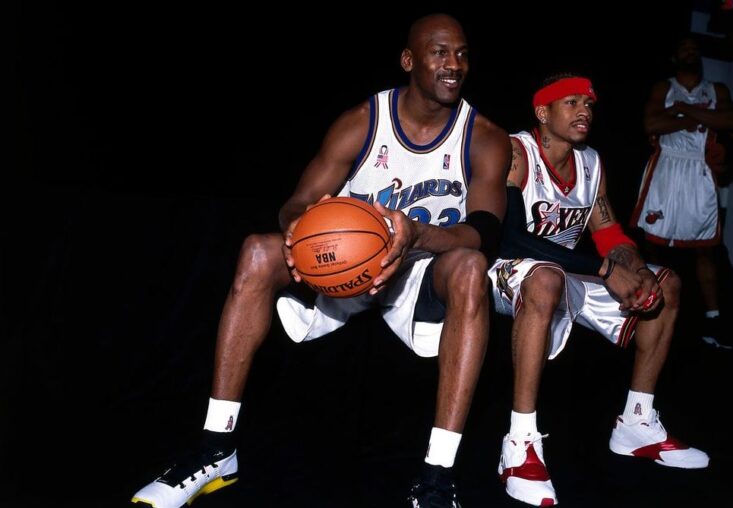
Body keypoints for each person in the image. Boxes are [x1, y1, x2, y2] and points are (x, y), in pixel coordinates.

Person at [131, 13, 511, 508]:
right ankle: (215, 448)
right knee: (257, 250)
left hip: (419, 267)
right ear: (408, 60)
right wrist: (298, 230)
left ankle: (437, 477)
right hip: (342, 261)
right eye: (440, 52)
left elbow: (484, 232)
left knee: (471, 269)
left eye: (461, 54)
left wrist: (417, 235)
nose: (454, 64)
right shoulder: (362, 122)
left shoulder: (484, 136)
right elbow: (297, 202)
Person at [488, 74, 709, 506]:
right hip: (506, 269)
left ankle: (636, 424)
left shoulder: (591, 162)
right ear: (543, 112)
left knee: (666, 283)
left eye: (588, 104)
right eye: (571, 103)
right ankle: (518, 444)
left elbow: (607, 232)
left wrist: (637, 269)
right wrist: (607, 269)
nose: (584, 111)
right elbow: (510, 239)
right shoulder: (515, 151)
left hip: (568, 271)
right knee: (546, 277)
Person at [631, 35, 733, 350]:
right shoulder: (664, 88)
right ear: (675, 57)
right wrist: (698, 116)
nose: (690, 52)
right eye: (684, 48)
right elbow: (651, 124)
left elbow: (730, 119)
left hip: (698, 171)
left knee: (705, 249)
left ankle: (713, 319)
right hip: (666, 168)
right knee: (653, 244)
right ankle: (648, 308)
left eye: (694, 49)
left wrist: (681, 112)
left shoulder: (716, 90)